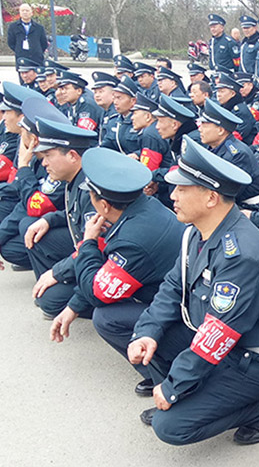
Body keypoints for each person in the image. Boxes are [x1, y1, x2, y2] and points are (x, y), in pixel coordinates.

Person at [126, 136, 259, 445]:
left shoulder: (241, 253)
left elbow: (219, 333)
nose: (172, 194)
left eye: (182, 189)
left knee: (170, 427)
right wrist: (147, 331)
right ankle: (194, 393)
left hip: (254, 359)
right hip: (224, 342)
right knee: (149, 340)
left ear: (210, 198)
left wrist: (174, 385)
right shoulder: (196, 231)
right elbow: (173, 285)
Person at [48, 149, 184, 395]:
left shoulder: (132, 238)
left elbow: (97, 293)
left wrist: (88, 242)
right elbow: (105, 272)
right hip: (170, 294)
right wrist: (72, 307)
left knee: (107, 318)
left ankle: (169, 380)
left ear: (104, 205)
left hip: (178, 313)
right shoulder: (143, 207)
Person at [22, 117, 97, 318]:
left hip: (102, 259)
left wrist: (57, 272)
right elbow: (74, 212)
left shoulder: (91, 187)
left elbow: (97, 246)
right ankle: (63, 283)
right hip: (84, 250)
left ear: (72, 156)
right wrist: (49, 219)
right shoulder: (76, 178)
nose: (43, 162)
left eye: (48, 155)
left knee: (49, 300)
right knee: (35, 232)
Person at [0, 94, 67, 272]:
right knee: (10, 248)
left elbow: (34, 205)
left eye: (23, 133)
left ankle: (57, 272)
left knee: (26, 224)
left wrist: (23, 168)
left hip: (67, 225)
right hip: (44, 213)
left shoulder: (51, 162)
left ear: (34, 140)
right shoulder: (37, 158)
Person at [197, 99, 259, 208]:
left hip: (247, 206)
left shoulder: (237, 154)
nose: (200, 129)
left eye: (205, 125)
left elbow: (229, 192)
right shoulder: (213, 147)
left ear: (220, 130)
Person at [55, 71, 105, 136]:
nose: (63, 92)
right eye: (62, 89)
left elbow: (83, 133)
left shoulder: (86, 104)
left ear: (79, 91)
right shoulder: (71, 103)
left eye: (66, 89)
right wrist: (60, 104)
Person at [214, 72, 257, 145]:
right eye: (218, 91)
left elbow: (236, 136)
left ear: (232, 94)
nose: (219, 95)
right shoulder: (225, 108)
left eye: (222, 91)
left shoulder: (240, 111)